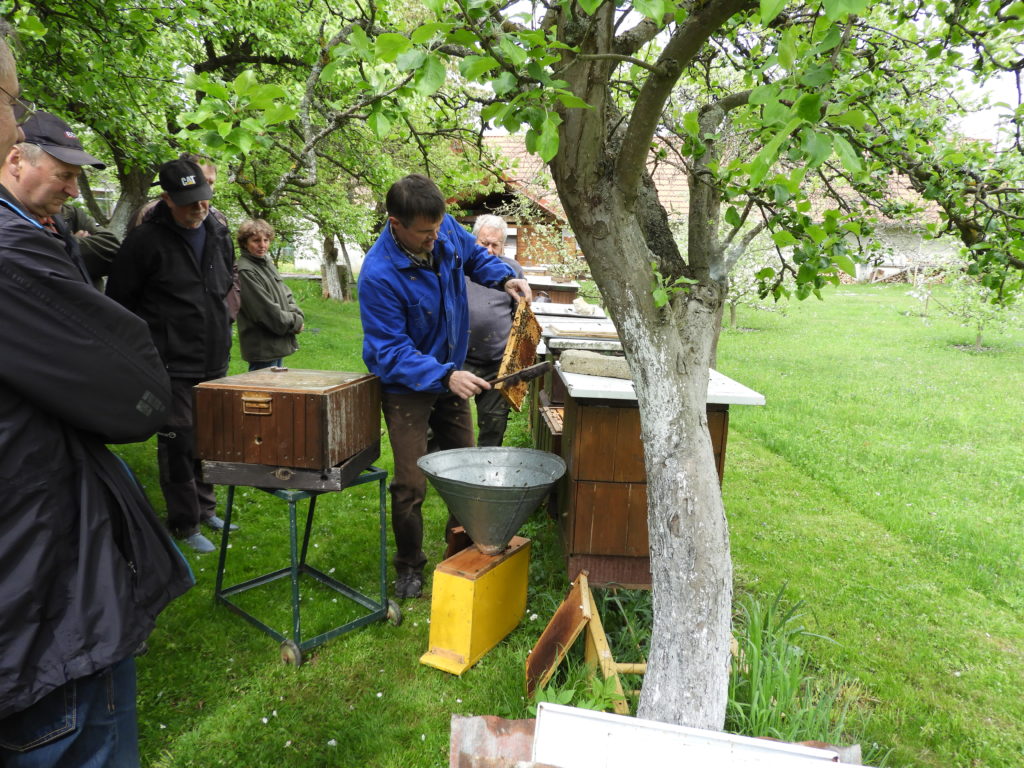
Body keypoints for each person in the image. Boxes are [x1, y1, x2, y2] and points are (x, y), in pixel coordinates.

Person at [0, 27, 193, 767]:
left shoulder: (49, 237)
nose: (73, 188)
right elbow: (127, 385)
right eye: (11, 102)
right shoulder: (17, 253)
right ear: (16, 157)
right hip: (41, 596)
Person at [358, 174, 531, 599]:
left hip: (450, 376)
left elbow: (473, 256)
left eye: (438, 229)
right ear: (396, 224)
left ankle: (462, 550)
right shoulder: (378, 275)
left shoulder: (444, 227)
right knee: (410, 483)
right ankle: (409, 566)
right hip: (407, 388)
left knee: (466, 473)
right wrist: (444, 375)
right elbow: (388, 351)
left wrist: (503, 277)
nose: (434, 238)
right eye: (424, 233)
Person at [107, 158, 238, 553]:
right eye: (188, 202)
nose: (199, 208)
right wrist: (145, 353)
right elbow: (120, 302)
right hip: (170, 361)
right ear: (166, 199)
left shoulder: (218, 232)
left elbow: (228, 280)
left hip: (213, 356)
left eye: (203, 198)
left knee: (210, 436)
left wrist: (226, 316)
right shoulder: (145, 241)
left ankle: (206, 507)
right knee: (179, 440)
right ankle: (184, 521)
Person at [0, 110, 107, 285]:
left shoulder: (53, 218)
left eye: (76, 177)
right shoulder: (7, 231)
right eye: (64, 176)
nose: (74, 192)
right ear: (16, 161)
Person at [465, 214, 526, 446]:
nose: (489, 250)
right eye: (484, 243)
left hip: (497, 364)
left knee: (494, 426)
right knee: (449, 423)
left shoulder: (513, 270)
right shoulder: (460, 268)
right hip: (459, 360)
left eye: (495, 245)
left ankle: (486, 468)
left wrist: (516, 363)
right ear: (474, 241)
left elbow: (520, 318)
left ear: (503, 246)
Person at [236, 218, 304, 370]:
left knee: (277, 384)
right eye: (256, 240)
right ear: (245, 243)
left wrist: (297, 316)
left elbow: (286, 295)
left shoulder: (266, 263)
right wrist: (294, 323)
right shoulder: (245, 270)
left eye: (266, 240)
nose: (262, 245)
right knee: (263, 385)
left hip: (276, 343)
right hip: (263, 347)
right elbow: (265, 313)